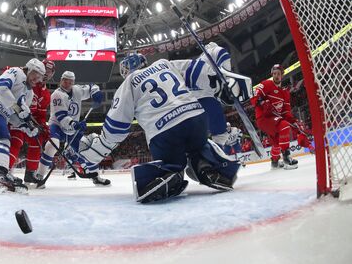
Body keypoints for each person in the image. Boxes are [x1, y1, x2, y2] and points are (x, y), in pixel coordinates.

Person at [76, 53, 241, 203]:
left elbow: (116, 127)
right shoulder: (165, 63)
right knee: (198, 147)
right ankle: (207, 165)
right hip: (196, 119)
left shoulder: (130, 82)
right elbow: (197, 70)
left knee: (171, 160)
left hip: (164, 130)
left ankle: (169, 173)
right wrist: (221, 83)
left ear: (125, 70)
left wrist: (99, 146)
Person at [0, 58, 45, 193]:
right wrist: (18, 108)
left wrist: (26, 126)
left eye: (40, 76)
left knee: (4, 141)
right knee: (2, 140)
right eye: (36, 72)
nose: (37, 78)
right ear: (28, 68)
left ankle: (3, 174)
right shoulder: (17, 72)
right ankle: (1, 176)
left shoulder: (29, 94)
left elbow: (14, 117)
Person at [33, 70, 109, 186]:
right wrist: (75, 124)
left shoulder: (77, 90)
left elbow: (92, 86)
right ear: (60, 81)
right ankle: (39, 175)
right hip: (57, 125)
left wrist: (95, 93)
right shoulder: (57, 95)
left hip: (73, 128)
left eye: (70, 81)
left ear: (73, 82)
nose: (67, 83)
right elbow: (61, 116)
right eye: (64, 80)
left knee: (86, 149)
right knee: (52, 145)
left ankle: (95, 176)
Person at [172, 42, 252, 149]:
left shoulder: (193, 62)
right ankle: (220, 152)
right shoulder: (218, 50)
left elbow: (171, 66)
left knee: (193, 133)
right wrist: (230, 84)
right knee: (219, 132)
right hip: (205, 93)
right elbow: (225, 71)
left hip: (186, 99)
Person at [8, 59, 56, 183]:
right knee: (16, 140)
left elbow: (40, 114)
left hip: (30, 122)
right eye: (45, 69)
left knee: (37, 138)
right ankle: (5, 171)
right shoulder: (27, 79)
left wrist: (43, 126)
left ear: (52, 75)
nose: (46, 73)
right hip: (15, 116)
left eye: (50, 71)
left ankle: (30, 173)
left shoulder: (46, 95)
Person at [250, 64, 299, 169]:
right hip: (264, 118)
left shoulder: (285, 93)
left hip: (274, 119)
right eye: (275, 73)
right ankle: (286, 159)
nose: (276, 76)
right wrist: (261, 102)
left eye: (279, 74)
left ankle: (275, 162)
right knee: (284, 125)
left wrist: (294, 122)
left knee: (277, 142)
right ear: (272, 74)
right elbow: (254, 96)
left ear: (282, 75)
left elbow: (286, 112)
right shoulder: (266, 84)